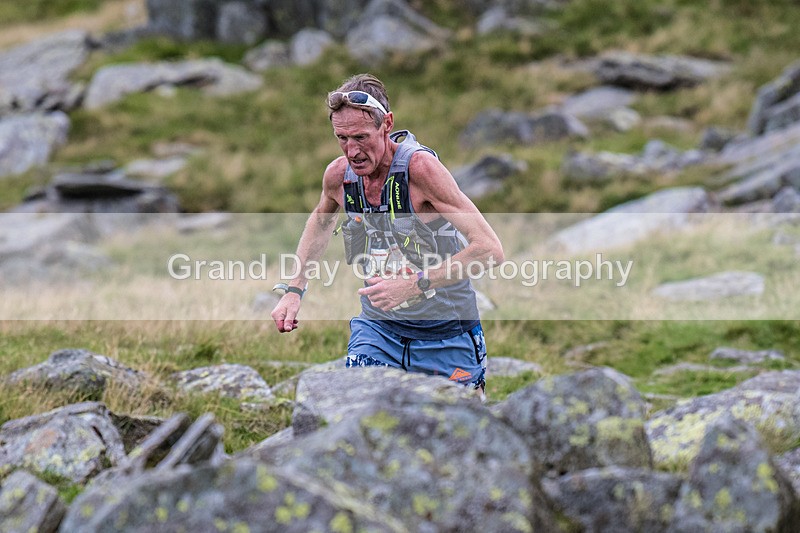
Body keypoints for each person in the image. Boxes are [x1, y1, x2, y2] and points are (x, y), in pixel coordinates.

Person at [271, 73, 503, 392]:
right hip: (377, 332)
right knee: (359, 417)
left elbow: (490, 250)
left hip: (446, 334)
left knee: (453, 436)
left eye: (361, 137)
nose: (352, 151)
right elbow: (321, 222)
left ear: (387, 124)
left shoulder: (421, 171)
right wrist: (294, 291)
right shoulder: (339, 176)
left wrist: (414, 284)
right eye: (342, 138)